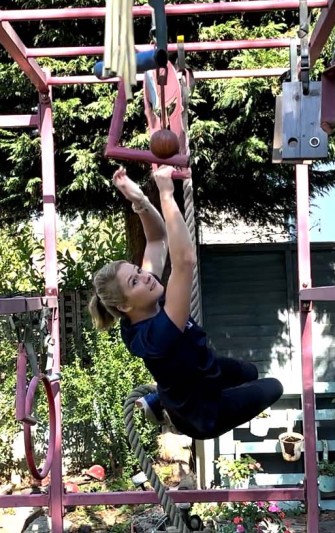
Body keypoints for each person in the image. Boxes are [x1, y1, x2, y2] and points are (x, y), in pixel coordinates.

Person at [88, 165, 283, 440]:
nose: (145, 276)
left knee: (250, 371)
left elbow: (156, 239)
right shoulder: (157, 335)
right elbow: (185, 261)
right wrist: (167, 195)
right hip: (203, 415)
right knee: (274, 386)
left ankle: (161, 397)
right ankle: (166, 406)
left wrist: (140, 201)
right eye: (134, 281)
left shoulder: (146, 298)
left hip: (203, 370)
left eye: (138, 270)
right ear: (124, 306)